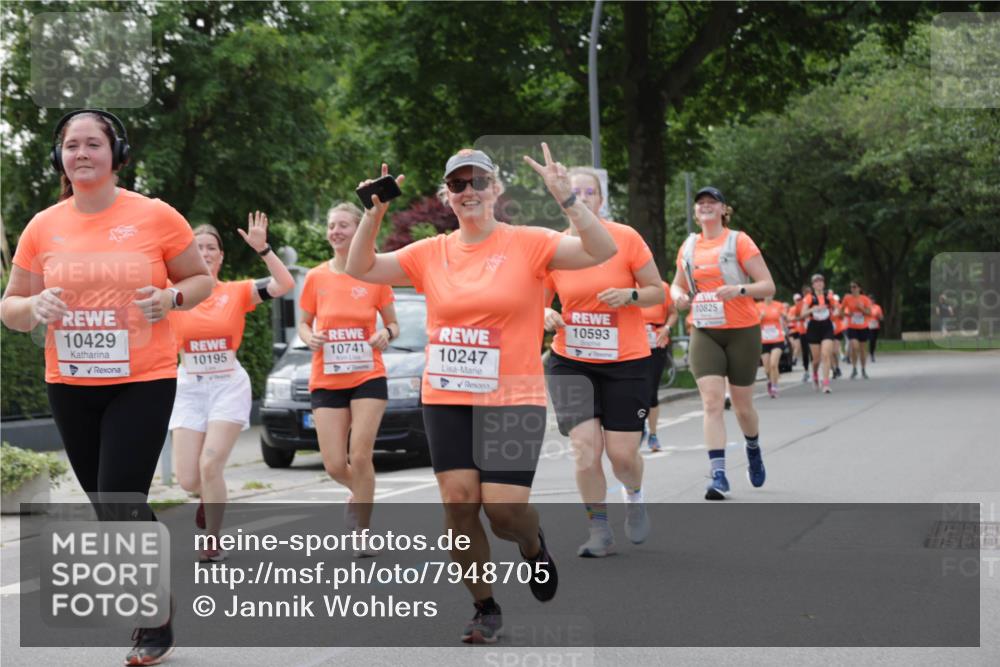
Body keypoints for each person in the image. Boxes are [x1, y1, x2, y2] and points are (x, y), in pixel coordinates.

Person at [345, 145, 617, 643]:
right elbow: (359, 268)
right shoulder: (431, 251)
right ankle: (484, 607)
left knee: (504, 512)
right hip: (447, 395)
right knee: (459, 504)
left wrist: (568, 200)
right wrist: (373, 214)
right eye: (458, 184)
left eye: (478, 182)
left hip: (512, 396)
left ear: (496, 189)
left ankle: (533, 546)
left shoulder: (529, 242)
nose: (468, 191)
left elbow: (601, 251)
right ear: (447, 196)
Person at [0, 109, 214, 666]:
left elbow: (200, 280)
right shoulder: (42, 226)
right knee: (106, 506)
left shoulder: (155, 215)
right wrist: (33, 305)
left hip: (142, 379)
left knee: (121, 495)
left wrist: (171, 298)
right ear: (60, 157)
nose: (82, 153)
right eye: (72, 145)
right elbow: (10, 308)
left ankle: (154, 618)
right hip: (70, 382)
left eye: (93, 143)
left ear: (116, 154)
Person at [542, 166, 665, 558]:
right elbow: (535, 303)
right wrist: (545, 314)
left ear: (601, 200)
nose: (581, 198)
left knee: (622, 456)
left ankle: (634, 496)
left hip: (626, 361)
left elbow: (657, 291)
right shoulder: (554, 248)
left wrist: (630, 296)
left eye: (589, 192)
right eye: (574, 191)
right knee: (585, 448)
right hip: (571, 360)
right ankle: (599, 529)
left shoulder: (625, 238)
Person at [169, 213, 294, 561]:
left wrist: (263, 249)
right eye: (197, 247)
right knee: (188, 479)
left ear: (221, 256)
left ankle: (212, 540)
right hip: (189, 387)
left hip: (227, 385)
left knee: (210, 466)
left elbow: (284, 284)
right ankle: (209, 497)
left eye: (211, 247)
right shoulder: (174, 294)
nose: (205, 253)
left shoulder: (237, 292)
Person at [300, 202, 398, 549]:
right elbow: (303, 323)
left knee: (359, 455)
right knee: (333, 465)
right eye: (331, 226)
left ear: (358, 230)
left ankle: (363, 531)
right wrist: (308, 337)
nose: (335, 231)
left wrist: (386, 333)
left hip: (368, 376)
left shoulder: (373, 273)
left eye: (343, 225)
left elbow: (393, 323)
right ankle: (360, 493)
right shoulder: (315, 277)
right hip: (327, 379)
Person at [670, 186, 775, 500]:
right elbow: (676, 285)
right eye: (700, 203)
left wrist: (739, 290)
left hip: (742, 330)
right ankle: (718, 475)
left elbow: (767, 285)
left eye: (712, 202)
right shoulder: (689, 246)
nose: (705, 206)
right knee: (712, 401)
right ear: (695, 212)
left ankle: (752, 447)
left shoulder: (738, 241)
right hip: (705, 330)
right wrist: (679, 297)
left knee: (742, 407)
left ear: (723, 210)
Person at [639, 280, 677, 452]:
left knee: (651, 390)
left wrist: (667, 328)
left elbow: (673, 313)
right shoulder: (628, 286)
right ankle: (640, 428)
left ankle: (653, 434)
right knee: (635, 389)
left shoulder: (663, 287)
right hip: (634, 343)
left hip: (657, 342)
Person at [801, 274, 839, 394]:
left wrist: (836, 311)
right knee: (816, 359)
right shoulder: (809, 298)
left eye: (821, 281)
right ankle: (815, 374)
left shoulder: (829, 296)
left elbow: (837, 308)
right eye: (816, 281)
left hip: (826, 326)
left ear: (824, 283)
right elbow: (802, 314)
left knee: (826, 355)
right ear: (813, 285)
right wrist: (812, 309)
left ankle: (826, 383)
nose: (819, 283)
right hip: (813, 327)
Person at [839, 281, 873, 379]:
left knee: (862, 350)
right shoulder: (847, 298)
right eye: (851, 287)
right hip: (852, 326)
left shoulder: (865, 299)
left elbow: (869, 313)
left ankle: (863, 369)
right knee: (854, 347)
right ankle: (854, 368)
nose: (852, 289)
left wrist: (861, 308)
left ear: (859, 288)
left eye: (854, 287)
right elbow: (841, 311)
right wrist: (846, 314)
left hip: (863, 327)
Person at [757, 295, 787, 398]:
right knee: (767, 369)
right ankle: (770, 381)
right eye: (766, 293)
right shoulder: (757, 306)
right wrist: (760, 317)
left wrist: (785, 316)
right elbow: (754, 322)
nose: (768, 295)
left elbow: (786, 318)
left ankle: (774, 387)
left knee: (773, 364)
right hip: (764, 340)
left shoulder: (778, 305)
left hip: (777, 339)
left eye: (770, 293)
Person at [787, 293, 803, 369]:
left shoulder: (803, 308)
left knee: (797, 346)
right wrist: (796, 318)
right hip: (792, 329)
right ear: (794, 300)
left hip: (800, 330)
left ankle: (794, 359)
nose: (798, 301)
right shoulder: (792, 309)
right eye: (797, 300)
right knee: (793, 346)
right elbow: (789, 318)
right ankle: (792, 358)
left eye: (800, 299)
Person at [868, 297, 884, 361]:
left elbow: (881, 317)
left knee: (874, 340)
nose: (871, 301)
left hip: (875, 326)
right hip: (868, 326)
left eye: (872, 300)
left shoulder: (877, 307)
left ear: (874, 300)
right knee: (871, 339)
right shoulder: (866, 307)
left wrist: (879, 317)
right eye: (870, 300)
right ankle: (871, 353)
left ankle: (872, 352)